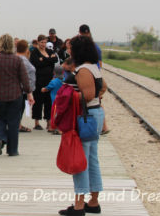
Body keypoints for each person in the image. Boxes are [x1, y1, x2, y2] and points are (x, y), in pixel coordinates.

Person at [58, 34, 106, 216]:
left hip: (86, 116)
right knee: (92, 159)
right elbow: (103, 88)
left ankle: (79, 206)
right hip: (95, 114)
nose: (69, 51)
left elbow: (88, 94)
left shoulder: (83, 70)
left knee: (80, 159)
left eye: (71, 48)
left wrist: (67, 96)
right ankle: (93, 202)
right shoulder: (94, 67)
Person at [0, 34, 33, 157]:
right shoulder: (17, 59)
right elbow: (25, 79)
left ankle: (0, 138)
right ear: (12, 45)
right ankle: (12, 150)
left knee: (0, 118)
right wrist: (29, 94)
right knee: (13, 122)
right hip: (15, 95)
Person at [78, 24, 109, 135]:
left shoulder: (82, 46)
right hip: (94, 74)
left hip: (89, 76)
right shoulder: (95, 46)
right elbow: (99, 63)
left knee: (94, 101)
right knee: (97, 101)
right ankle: (103, 126)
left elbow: (99, 63)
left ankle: (103, 126)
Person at [30, 34, 57, 130]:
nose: (43, 44)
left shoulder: (49, 51)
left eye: (45, 42)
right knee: (38, 101)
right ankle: (36, 122)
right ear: (38, 42)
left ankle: (49, 122)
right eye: (42, 42)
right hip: (38, 80)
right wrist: (48, 60)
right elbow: (36, 63)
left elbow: (55, 59)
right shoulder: (35, 52)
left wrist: (44, 60)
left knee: (48, 101)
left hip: (49, 80)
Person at [15, 39, 36, 133]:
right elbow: (30, 71)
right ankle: (17, 125)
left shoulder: (14, 57)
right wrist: (30, 91)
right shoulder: (23, 60)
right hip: (23, 88)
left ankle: (17, 124)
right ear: (26, 49)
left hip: (16, 87)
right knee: (20, 108)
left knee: (18, 108)